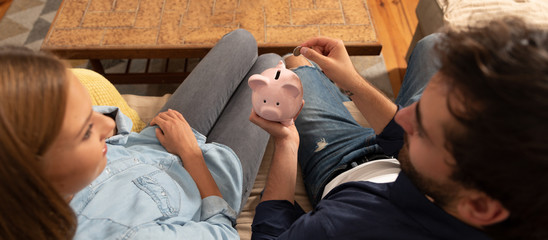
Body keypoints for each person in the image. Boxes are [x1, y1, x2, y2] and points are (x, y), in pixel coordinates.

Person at [250, 17, 548, 239]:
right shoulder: (491, 188)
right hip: (400, 157)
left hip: (338, 163)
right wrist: (352, 82)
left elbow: (270, 232)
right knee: (434, 45)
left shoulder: (347, 225)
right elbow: (402, 130)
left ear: (481, 206)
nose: (401, 116)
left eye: (424, 130)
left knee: (295, 61)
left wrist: (287, 141)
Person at [0, 29, 281, 239]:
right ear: (33, 172)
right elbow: (223, 233)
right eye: (86, 131)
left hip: (157, 140)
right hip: (216, 175)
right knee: (271, 63)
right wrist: (191, 155)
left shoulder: (45, 172)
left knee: (241, 40)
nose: (108, 125)